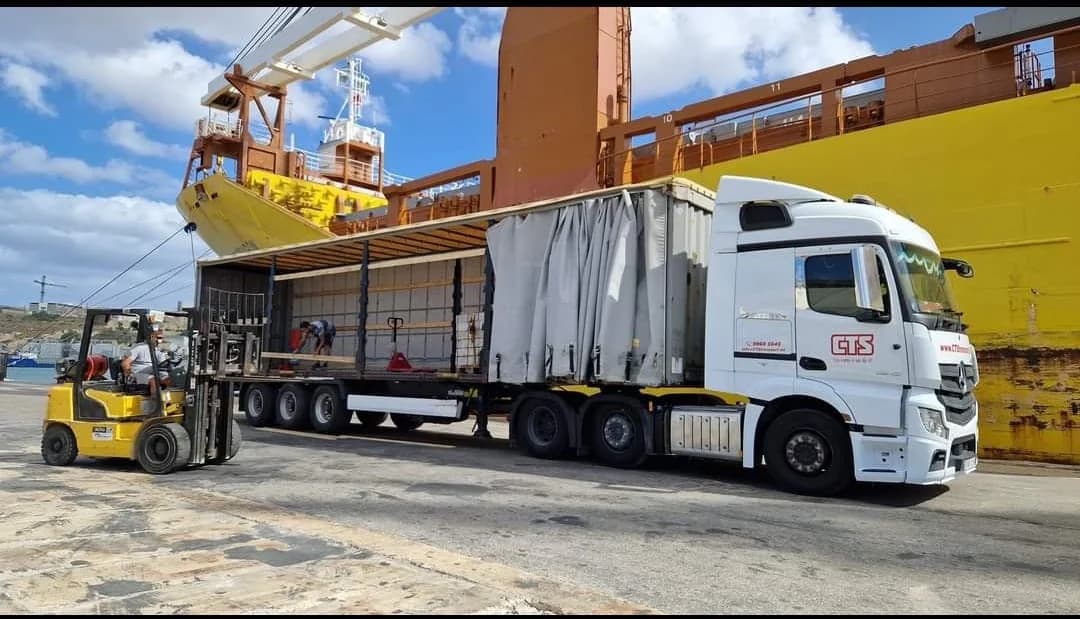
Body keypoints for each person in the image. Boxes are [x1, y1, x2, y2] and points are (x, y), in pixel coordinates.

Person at [127, 324, 173, 396]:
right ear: (152, 337)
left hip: (152, 372)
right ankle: (156, 404)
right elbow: (125, 363)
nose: (160, 341)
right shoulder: (139, 347)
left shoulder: (159, 351)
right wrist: (129, 377)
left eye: (161, 339)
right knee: (154, 380)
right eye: (158, 338)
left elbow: (162, 365)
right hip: (137, 374)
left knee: (169, 380)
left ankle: (167, 401)